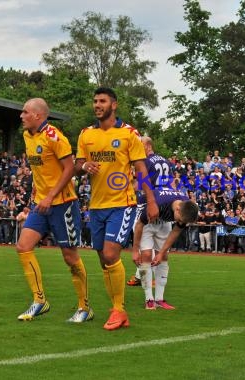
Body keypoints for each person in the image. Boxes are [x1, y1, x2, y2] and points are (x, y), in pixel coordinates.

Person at [74, 87, 158, 331]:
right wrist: (85, 165)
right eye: (95, 101)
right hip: (96, 205)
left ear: (114, 105)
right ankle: (117, 309)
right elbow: (78, 165)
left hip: (122, 203)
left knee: (111, 255)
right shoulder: (85, 134)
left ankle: (119, 310)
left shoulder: (129, 133)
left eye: (102, 101)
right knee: (104, 260)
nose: (97, 105)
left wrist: (151, 200)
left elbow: (141, 170)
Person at [16, 98, 91, 323]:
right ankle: (39, 301)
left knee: (70, 257)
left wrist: (50, 196)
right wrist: (37, 198)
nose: (21, 116)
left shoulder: (55, 137)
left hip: (63, 204)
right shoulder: (27, 136)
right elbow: (39, 172)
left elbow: (70, 168)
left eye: (25, 112)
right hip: (41, 204)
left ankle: (84, 307)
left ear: (38, 115)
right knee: (23, 246)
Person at [131, 186, 199, 310]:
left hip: (163, 219)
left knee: (164, 257)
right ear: (177, 210)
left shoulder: (185, 208)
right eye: (180, 219)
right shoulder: (159, 203)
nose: (180, 222)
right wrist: (135, 250)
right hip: (146, 218)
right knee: (146, 255)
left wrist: (161, 252)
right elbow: (139, 225)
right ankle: (149, 300)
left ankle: (160, 299)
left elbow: (176, 231)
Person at [127, 136, 171, 287]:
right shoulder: (165, 160)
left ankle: (146, 277)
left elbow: (140, 185)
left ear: (147, 146)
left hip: (149, 203)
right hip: (164, 204)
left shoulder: (144, 162)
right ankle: (141, 276)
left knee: (142, 239)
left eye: (140, 145)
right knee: (157, 243)